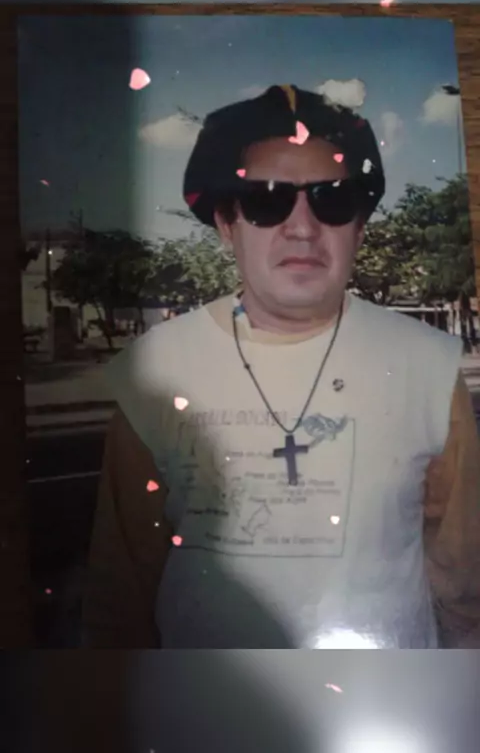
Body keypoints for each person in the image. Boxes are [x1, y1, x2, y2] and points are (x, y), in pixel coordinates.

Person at [82, 84, 480, 649]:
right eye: (267, 200)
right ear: (227, 224)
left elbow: (464, 582)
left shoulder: (429, 368)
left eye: (331, 201)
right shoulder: (154, 370)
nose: (302, 227)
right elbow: (119, 594)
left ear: (358, 227)